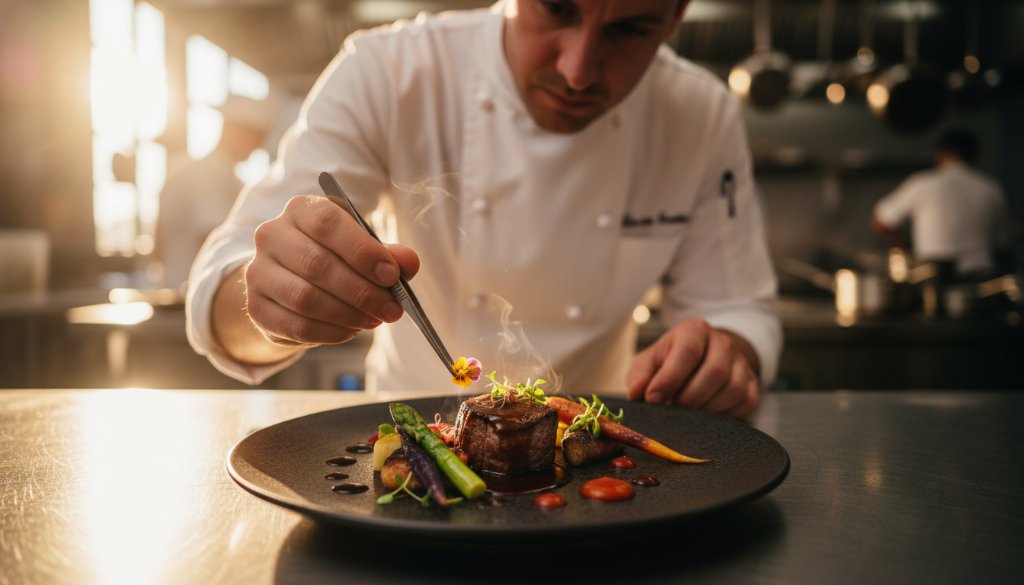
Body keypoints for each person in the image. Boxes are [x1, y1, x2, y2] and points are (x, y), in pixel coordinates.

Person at [186, 0, 781, 419]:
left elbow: (735, 307)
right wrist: (269, 303)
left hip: (596, 469)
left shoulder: (700, 115)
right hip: (413, 455)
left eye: (629, 31)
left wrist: (725, 356)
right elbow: (222, 297)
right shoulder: (387, 70)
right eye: (556, 7)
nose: (577, 72)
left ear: (675, 17)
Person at [156, 95, 273, 293]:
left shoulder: (198, 171)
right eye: (257, 136)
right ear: (234, 131)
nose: (260, 146)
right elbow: (214, 238)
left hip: (187, 293)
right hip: (191, 297)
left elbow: (158, 243)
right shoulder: (207, 175)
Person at [871, 127, 1011, 280]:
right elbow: (1001, 244)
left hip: (934, 277)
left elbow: (881, 221)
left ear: (940, 154)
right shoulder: (991, 188)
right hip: (980, 278)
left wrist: (906, 249)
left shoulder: (923, 184)